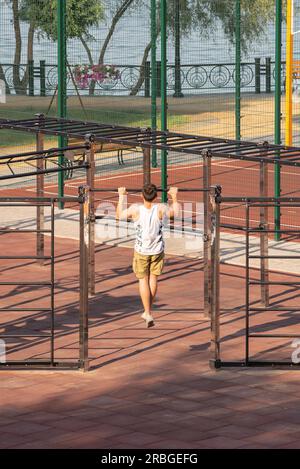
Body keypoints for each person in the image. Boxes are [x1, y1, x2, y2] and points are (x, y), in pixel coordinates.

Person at [116, 184, 180, 327]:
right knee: (153, 278)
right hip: (157, 250)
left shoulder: (136, 209)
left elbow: (119, 215)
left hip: (142, 251)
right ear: (156, 196)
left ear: (141, 196)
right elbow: (175, 213)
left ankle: (148, 312)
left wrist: (121, 196)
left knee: (143, 280)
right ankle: (147, 312)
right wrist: (174, 196)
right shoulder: (161, 208)